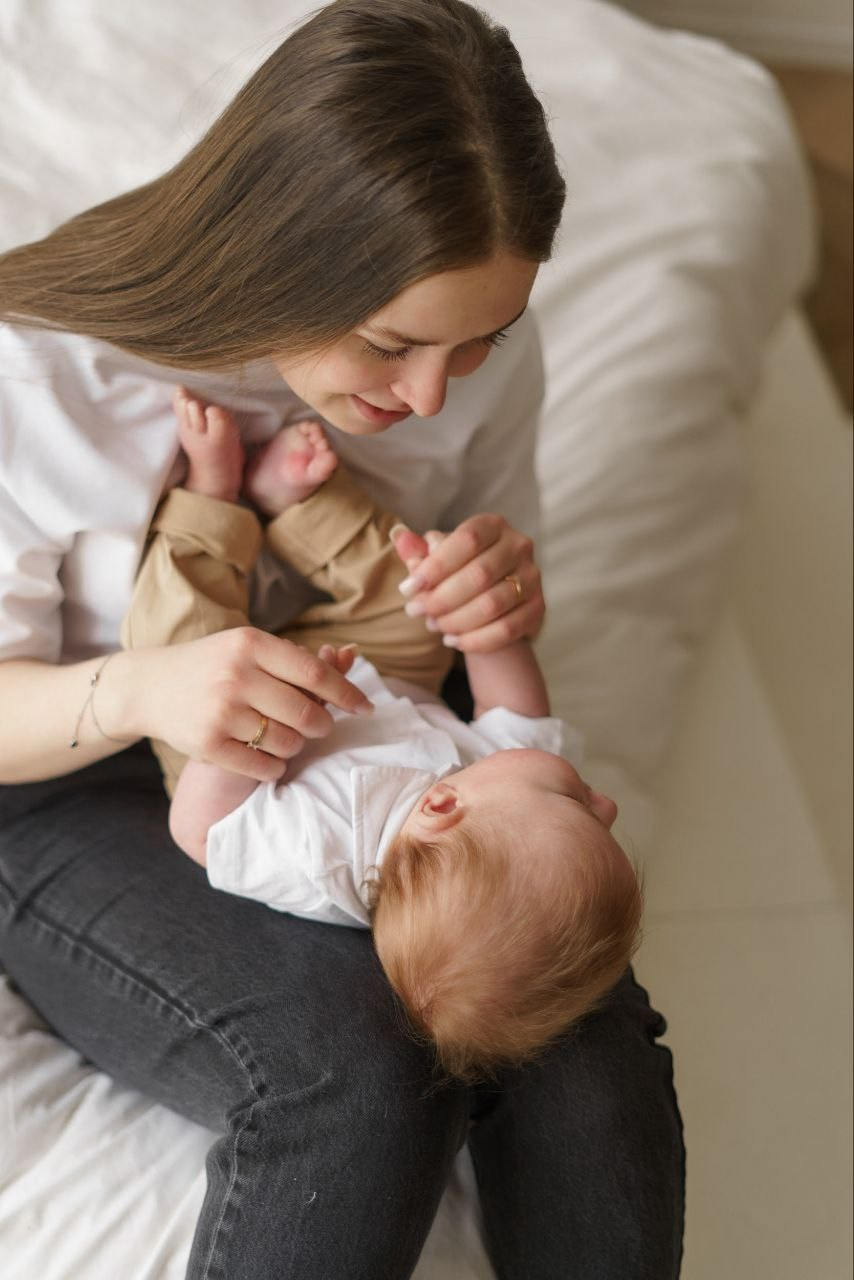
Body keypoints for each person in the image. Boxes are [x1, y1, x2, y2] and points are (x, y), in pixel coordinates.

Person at [0, 1, 684, 1276]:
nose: (431, 392)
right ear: (278, 251)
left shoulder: (468, 367)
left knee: (571, 1035)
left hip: (383, 739)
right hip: (68, 785)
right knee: (358, 1078)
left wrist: (491, 599)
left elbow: (454, 628)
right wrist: (146, 686)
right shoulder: (36, 377)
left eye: (478, 340)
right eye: (392, 343)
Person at [129, 387, 643, 1085]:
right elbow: (511, 703)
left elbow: (201, 829)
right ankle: (299, 502)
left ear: (442, 809)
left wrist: (267, 730)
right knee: (413, 606)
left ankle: (211, 502)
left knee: (178, 639)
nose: (605, 804)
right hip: (379, 666)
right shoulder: (512, 791)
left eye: (581, 807)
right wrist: (481, 631)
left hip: (239, 726)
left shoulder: (319, 857)